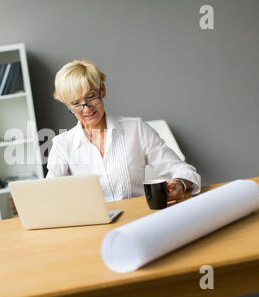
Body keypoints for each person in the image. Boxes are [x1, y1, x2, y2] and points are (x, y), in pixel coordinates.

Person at [46, 60, 201, 202]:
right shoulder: (62, 145)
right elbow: (49, 195)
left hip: (137, 221)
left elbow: (181, 169)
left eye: (91, 97)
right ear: (67, 106)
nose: (86, 108)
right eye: (75, 103)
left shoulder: (136, 129)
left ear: (102, 90)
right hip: (93, 228)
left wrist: (180, 183)